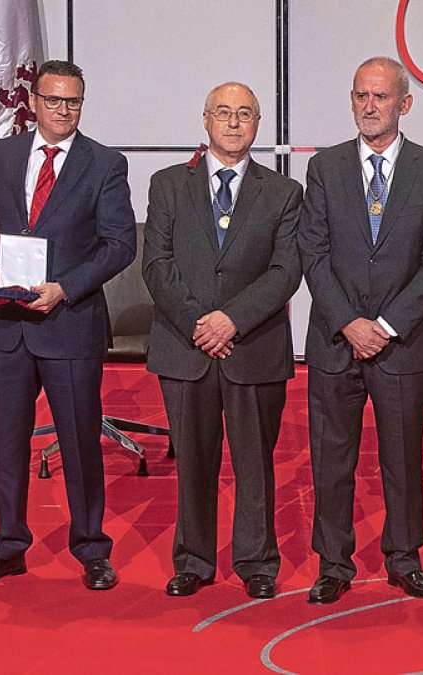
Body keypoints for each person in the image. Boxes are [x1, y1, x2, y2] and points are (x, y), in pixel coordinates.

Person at [0, 60, 136, 590]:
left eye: (73, 102)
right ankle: (8, 546)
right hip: (7, 324)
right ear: (33, 102)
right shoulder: (4, 155)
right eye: (54, 100)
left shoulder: (105, 163)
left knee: (80, 442)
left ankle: (91, 548)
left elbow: (119, 244)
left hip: (70, 322)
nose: (63, 110)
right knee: (7, 443)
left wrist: (65, 288)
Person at [298, 56, 423, 604]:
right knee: (331, 458)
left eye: (381, 97)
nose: (369, 106)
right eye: (361, 96)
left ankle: (405, 557)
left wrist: (385, 326)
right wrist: (349, 322)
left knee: (403, 457)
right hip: (334, 342)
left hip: (401, 345)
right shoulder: (323, 168)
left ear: (404, 104)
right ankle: (333, 563)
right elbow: (312, 252)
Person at [143, 82, 303, 599]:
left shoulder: (283, 192)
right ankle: (193, 558)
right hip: (185, 346)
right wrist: (201, 324)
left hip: (253, 345)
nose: (234, 123)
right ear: (206, 119)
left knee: (254, 461)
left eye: (245, 114)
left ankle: (257, 561)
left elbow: (285, 271)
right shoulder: (167, 185)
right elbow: (157, 265)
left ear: (258, 123)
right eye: (224, 113)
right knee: (192, 459)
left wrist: (231, 320)